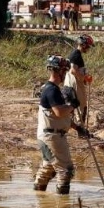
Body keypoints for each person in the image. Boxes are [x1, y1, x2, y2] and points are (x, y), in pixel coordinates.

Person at [33, 55, 86, 194]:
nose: (65, 74)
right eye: (64, 70)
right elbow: (59, 112)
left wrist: (78, 128)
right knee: (65, 170)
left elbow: (62, 117)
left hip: (49, 135)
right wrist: (72, 105)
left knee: (49, 168)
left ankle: (38, 197)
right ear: (58, 71)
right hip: (52, 136)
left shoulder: (54, 89)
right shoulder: (51, 90)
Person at [64, 34, 94, 127]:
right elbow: (73, 70)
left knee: (73, 107)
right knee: (81, 106)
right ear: (84, 45)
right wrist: (85, 78)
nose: (88, 49)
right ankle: (81, 129)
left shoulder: (76, 54)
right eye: (88, 46)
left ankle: (74, 126)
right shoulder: (76, 54)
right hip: (74, 84)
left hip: (72, 83)